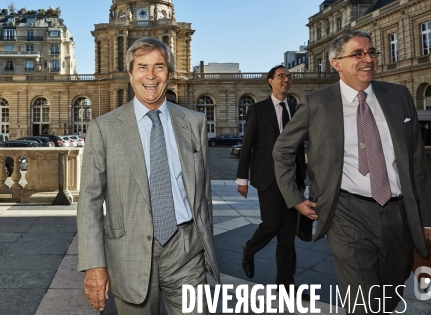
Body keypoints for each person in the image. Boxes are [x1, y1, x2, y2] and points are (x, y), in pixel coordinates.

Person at [273, 30, 431, 313]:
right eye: (358, 54)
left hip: (399, 214)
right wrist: (295, 197)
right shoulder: (317, 103)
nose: (369, 59)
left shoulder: (398, 96)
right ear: (336, 63)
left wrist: (430, 222)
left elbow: (418, 164)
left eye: (372, 52)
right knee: (363, 301)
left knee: (389, 296)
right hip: (346, 213)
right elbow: (282, 150)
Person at [77, 37, 219, 314]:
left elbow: (203, 193)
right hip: (130, 252)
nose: (151, 76)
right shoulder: (104, 128)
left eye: (159, 67)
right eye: (142, 67)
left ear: (169, 73)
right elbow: (90, 201)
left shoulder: (194, 122)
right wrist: (94, 265)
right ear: (130, 74)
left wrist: (205, 243)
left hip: (186, 248)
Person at [235, 65, 306, 291]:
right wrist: (241, 178)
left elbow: (301, 143)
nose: (286, 80)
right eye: (281, 76)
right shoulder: (259, 109)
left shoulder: (296, 109)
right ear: (270, 81)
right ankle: (250, 248)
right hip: (267, 176)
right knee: (272, 224)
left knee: (288, 235)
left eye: (288, 76)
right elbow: (247, 145)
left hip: (293, 178)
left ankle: (286, 283)